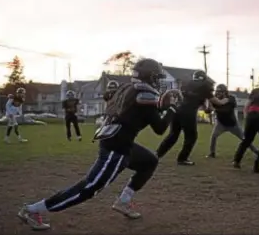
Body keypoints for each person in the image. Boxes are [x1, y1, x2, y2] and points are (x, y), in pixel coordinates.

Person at [17, 58, 181, 230]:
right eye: (156, 77)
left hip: (116, 141)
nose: (158, 82)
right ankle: (33, 209)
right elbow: (160, 128)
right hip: (117, 147)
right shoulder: (144, 95)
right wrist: (172, 108)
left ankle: (123, 201)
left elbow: (142, 112)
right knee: (90, 187)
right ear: (150, 77)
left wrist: (163, 107)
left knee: (149, 161)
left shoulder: (128, 89)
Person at [156, 70, 231, 166]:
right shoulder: (204, 86)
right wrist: (225, 100)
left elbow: (196, 99)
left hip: (177, 110)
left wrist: (205, 107)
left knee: (173, 135)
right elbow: (216, 102)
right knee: (191, 137)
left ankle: (157, 154)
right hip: (188, 113)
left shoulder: (187, 84)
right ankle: (182, 158)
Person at [206, 84, 259, 158]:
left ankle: (256, 151)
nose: (218, 93)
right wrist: (208, 107)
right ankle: (212, 153)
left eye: (220, 92)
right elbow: (208, 111)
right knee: (214, 136)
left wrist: (214, 109)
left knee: (244, 138)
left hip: (233, 124)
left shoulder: (231, 98)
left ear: (225, 92)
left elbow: (226, 110)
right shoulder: (214, 100)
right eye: (217, 92)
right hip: (221, 123)